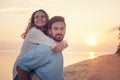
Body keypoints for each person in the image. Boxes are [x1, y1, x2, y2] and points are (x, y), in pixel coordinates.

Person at [12, 9, 68, 80]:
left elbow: (55, 40)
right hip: (19, 72)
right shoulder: (34, 32)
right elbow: (55, 44)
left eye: (42, 16)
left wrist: (64, 42)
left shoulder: (44, 34)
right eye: (36, 17)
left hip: (30, 66)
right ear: (33, 21)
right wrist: (64, 43)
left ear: (46, 19)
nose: (40, 18)